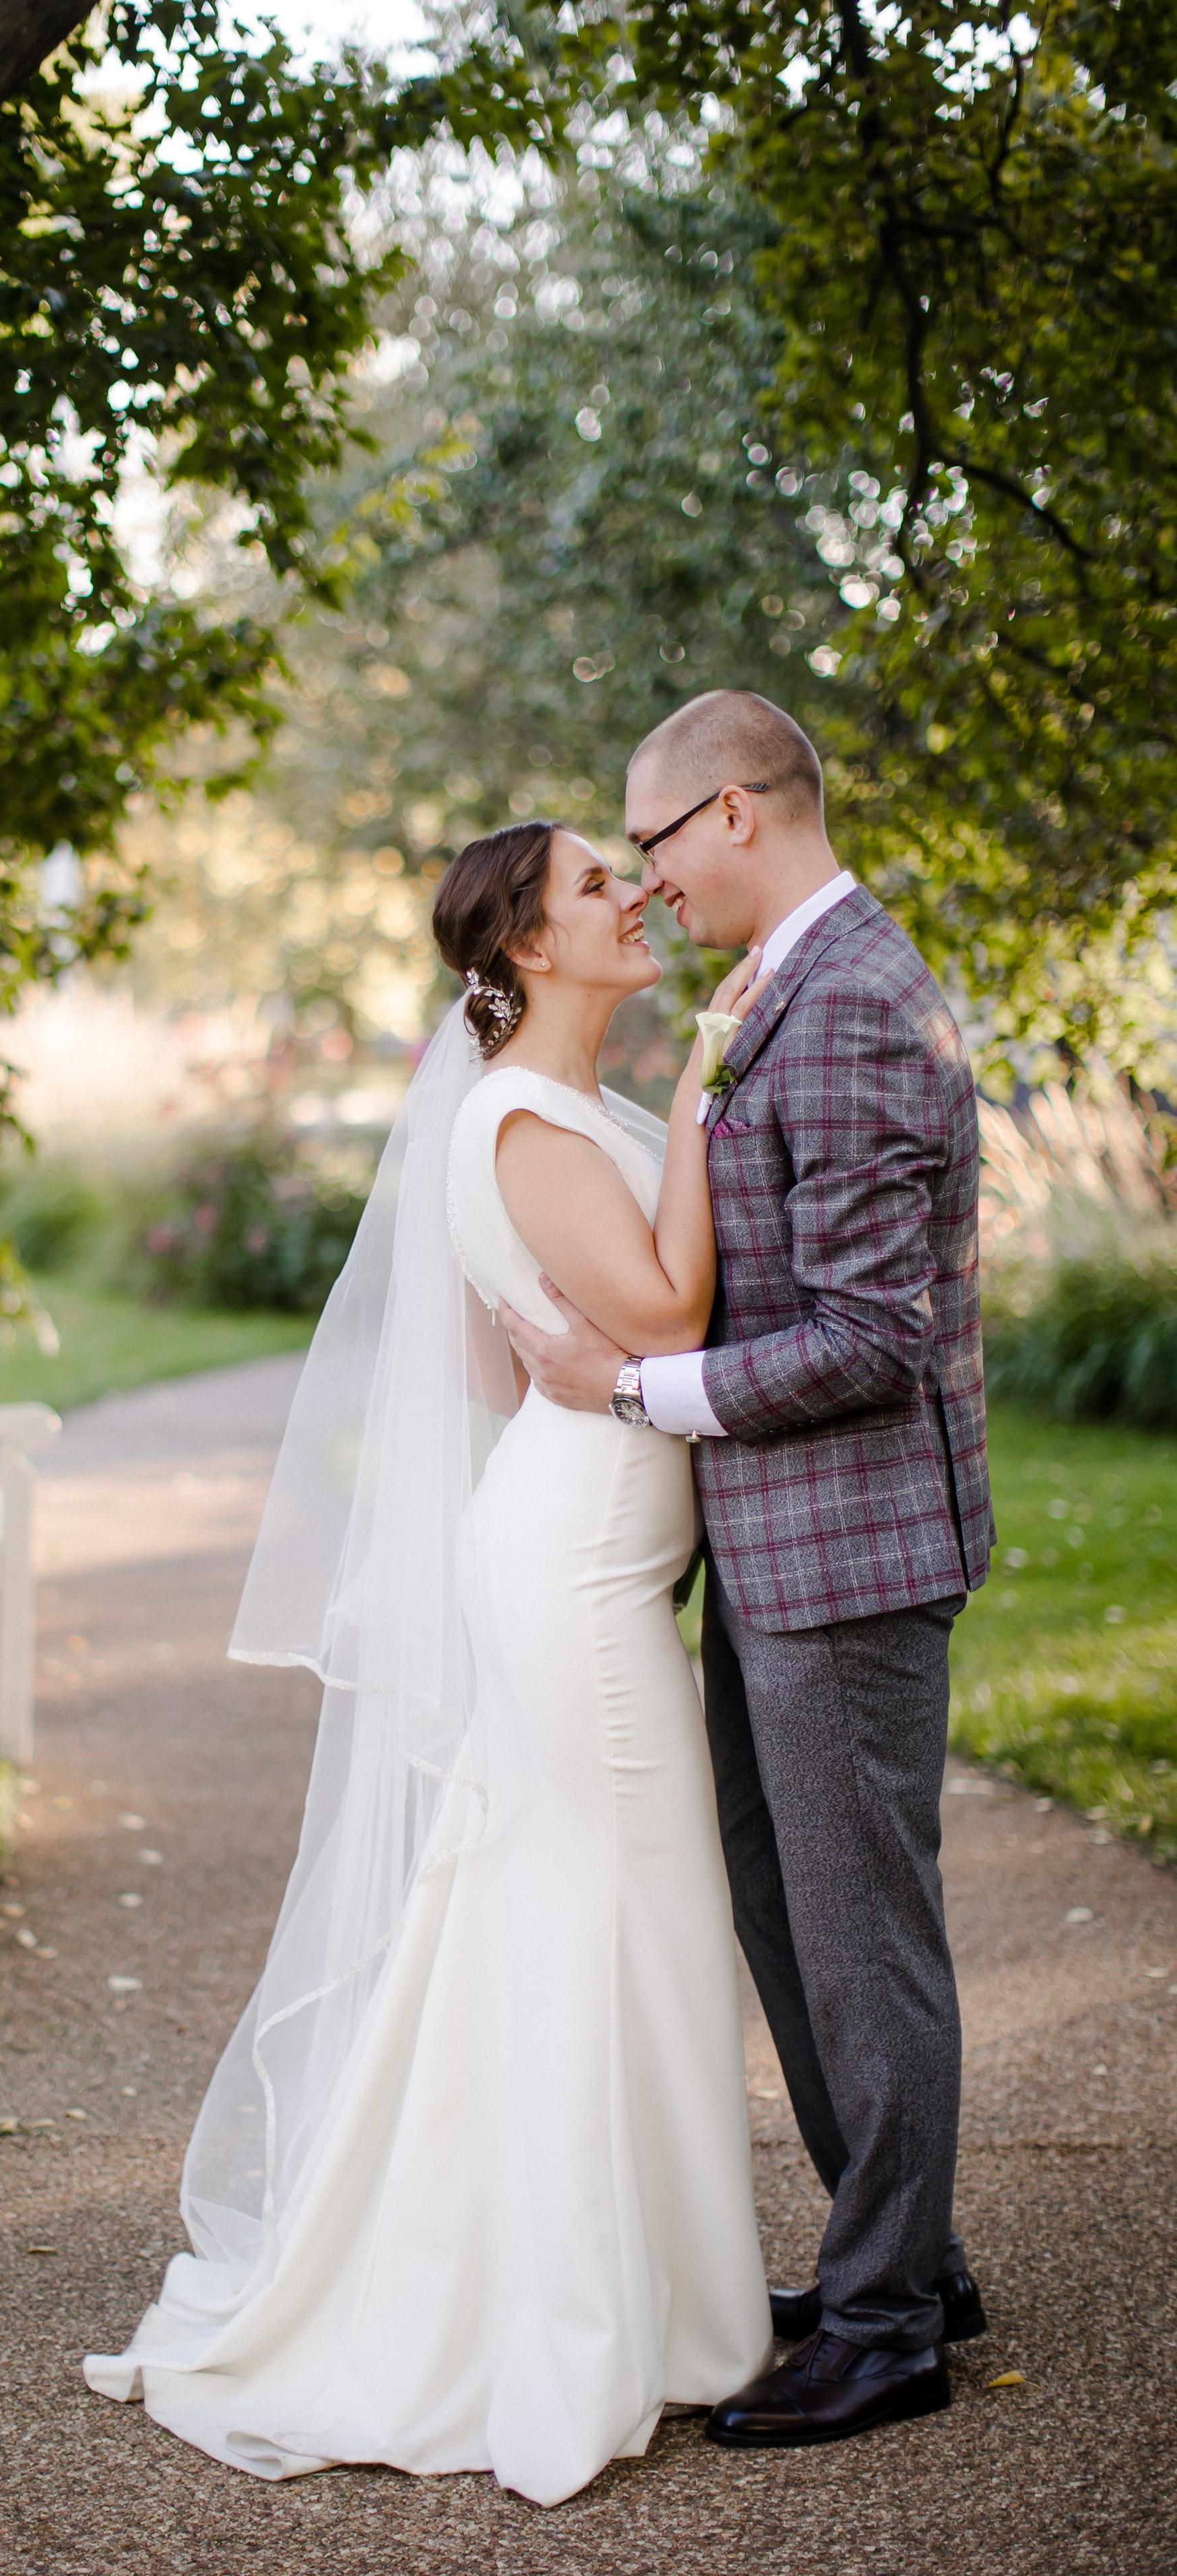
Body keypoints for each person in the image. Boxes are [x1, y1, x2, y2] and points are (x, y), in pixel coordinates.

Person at [83, 816, 773, 2505]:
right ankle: (579, 2318)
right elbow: (667, 1319)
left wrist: (568, 1343)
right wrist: (702, 1085)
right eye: (598, 883)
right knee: (617, 1909)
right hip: (571, 1578)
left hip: (578, 1554)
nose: (635, 894)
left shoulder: (537, 1113)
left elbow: (488, 1364)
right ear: (528, 944)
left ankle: (631, 2299)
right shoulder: (531, 1118)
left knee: (590, 1909)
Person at [502, 690, 994, 2449]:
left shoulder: (849, 999)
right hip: (775, 1554)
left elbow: (868, 1337)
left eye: (647, 845)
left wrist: (632, 1391)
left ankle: (886, 2328)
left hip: (847, 1557)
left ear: (728, 811)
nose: (644, 884)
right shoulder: (782, 987)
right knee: (790, 1913)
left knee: (861, 1944)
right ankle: (902, 2254)